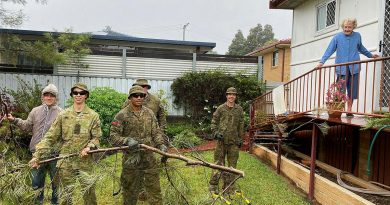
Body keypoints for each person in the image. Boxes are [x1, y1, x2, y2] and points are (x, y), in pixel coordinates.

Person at [29, 82, 102, 205]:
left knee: (89, 194)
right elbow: (50, 137)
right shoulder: (63, 115)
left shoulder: (93, 116)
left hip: (85, 162)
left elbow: (96, 138)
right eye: (75, 93)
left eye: (81, 93)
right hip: (65, 162)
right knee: (65, 196)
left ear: (86, 96)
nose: (78, 95)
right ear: (72, 95)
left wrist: (89, 147)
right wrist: (37, 155)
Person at [110, 85, 166, 205]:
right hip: (131, 160)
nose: (139, 98)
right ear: (130, 97)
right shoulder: (122, 115)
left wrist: (161, 145)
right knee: (130, 191)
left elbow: (156, 132)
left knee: (155, 190)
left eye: (142, 95)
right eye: (136, 95)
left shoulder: (149, 113)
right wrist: (126, 141)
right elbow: (113, 137)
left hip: (149, 158)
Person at [7, 84, 62, 205]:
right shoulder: (35, 111)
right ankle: (38, 203)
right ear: (43, 96)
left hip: (54, 154)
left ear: (56, 97)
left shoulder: (61, 113)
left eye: (52, 95)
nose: (49, 97)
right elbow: (26, 126)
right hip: (36, 154)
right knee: (36, 183)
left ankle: (55, 203)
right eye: (46, 95)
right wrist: (14, 120)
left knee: (56, 183)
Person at [317, 18, 379, 116]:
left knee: (353, 90)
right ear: (343, 27)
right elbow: (329, 50)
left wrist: (371, 55)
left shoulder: (357, 36)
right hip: (342, 68)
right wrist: (322, 62)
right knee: (340, 91)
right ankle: (338, 111)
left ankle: (349, 110)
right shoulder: (337, 37)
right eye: (345, 27)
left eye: (349, 27)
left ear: (353, 27)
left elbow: (361, 48)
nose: (347, 29)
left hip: (354, 68)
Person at [209, 87, 244, 194]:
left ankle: (229, 185)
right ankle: (213, 185)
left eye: (233, 94)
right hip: (221, 141)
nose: (231, 96)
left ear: (235, 96)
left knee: (232, 165)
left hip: (233, 142)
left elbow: (241, 125)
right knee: (218, 163)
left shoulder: (239, 109)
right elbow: (214, 122)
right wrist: (215, 133)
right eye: (229, 94)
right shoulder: (221, 108)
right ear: (226, 96)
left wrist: (240, 139)